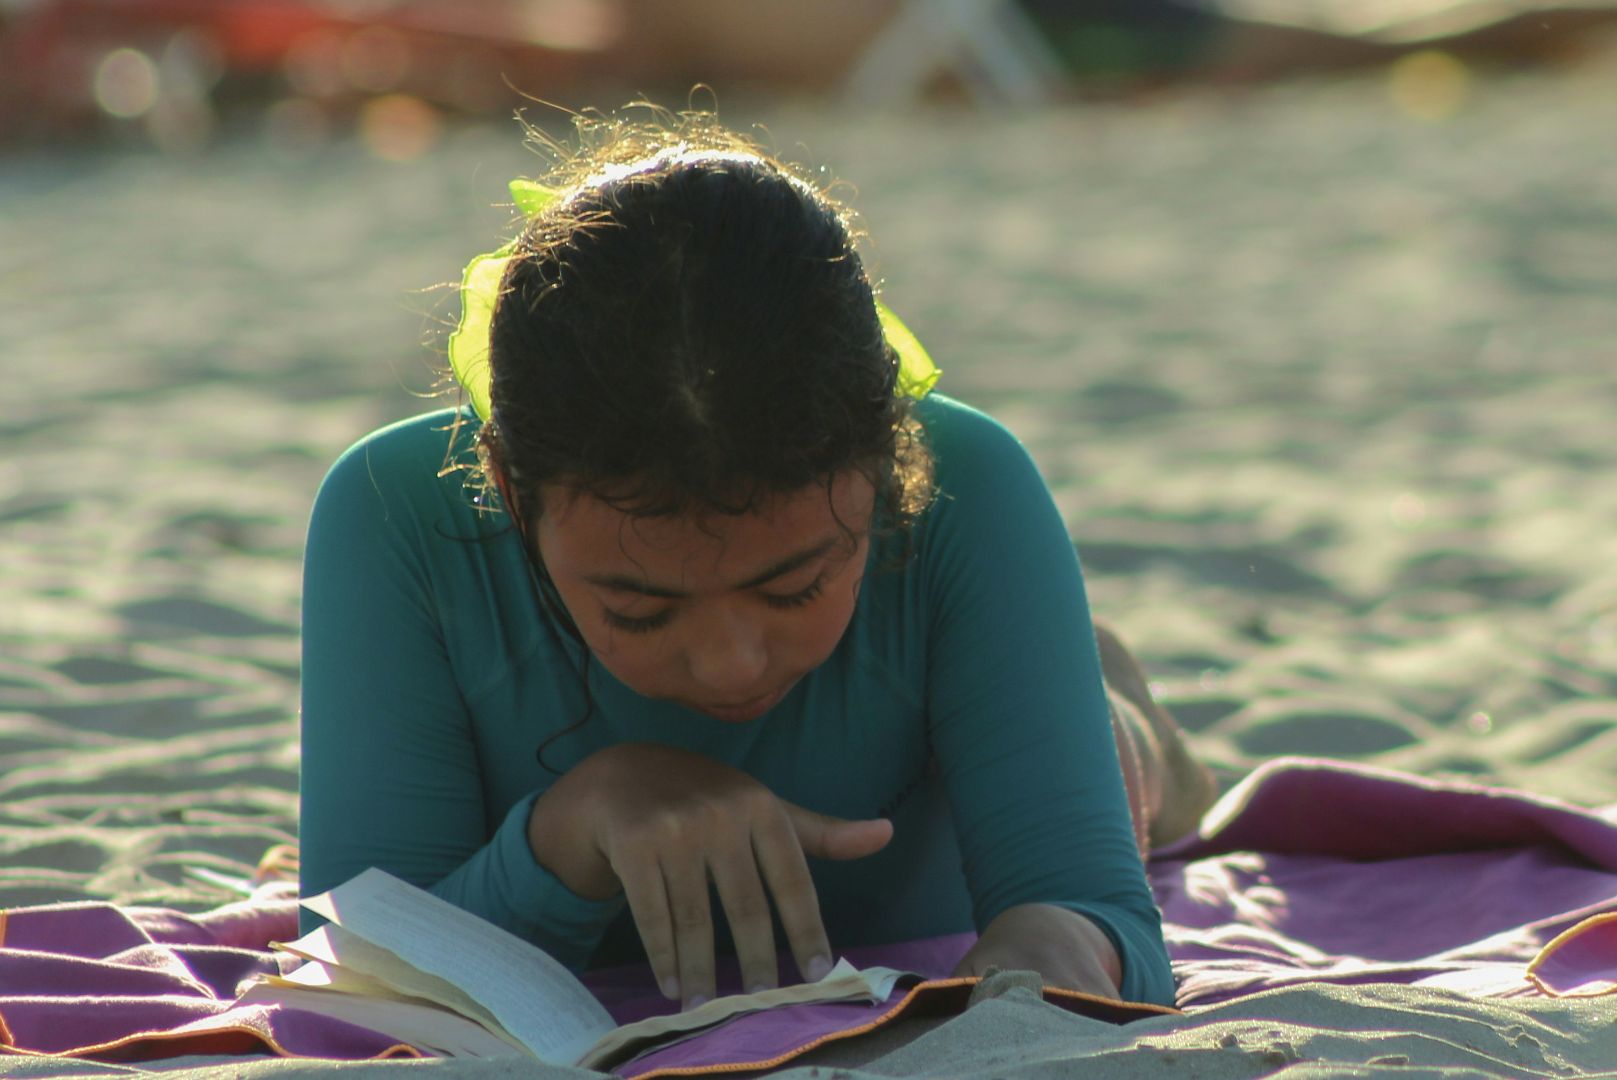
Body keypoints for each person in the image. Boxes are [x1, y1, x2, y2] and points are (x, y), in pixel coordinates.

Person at [298, 108, 1212, 1012]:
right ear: (505, 486)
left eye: (796, 586)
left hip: (1013, 750)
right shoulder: (397, 515)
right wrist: (572, 828)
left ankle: (1122, 706)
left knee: (1122, 764)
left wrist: (1050, 943)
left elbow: (1099, 912)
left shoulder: (970, 484)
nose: (731, 663)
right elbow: (353, 975)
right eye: (640, 608)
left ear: (892, 460)